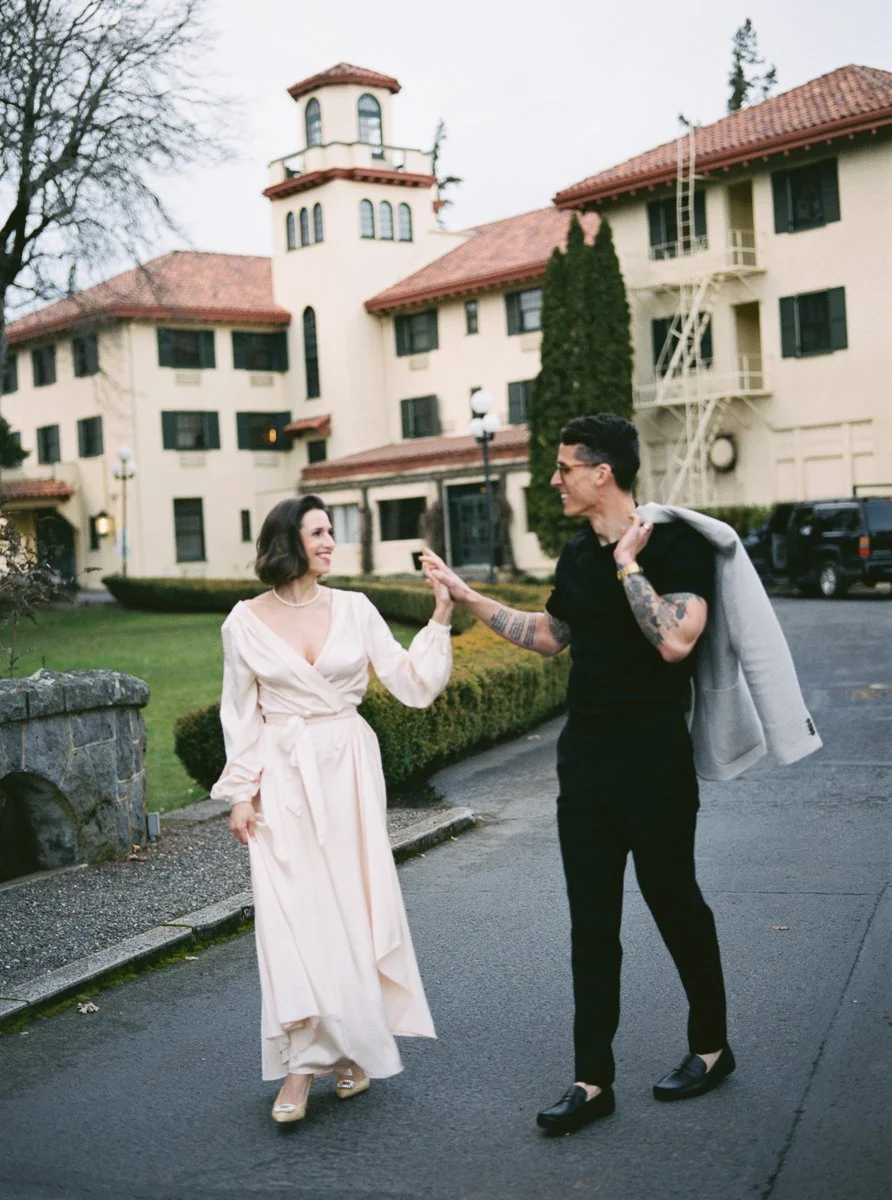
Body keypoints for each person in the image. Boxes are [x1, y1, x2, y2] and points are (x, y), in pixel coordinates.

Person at [422, 413, 733, 1136]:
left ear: (603, 473)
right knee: (593, 925)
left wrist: (629, 564)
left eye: (564, 467)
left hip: (653, 761)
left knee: (676, 905)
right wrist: (470, 599)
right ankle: (593, 1081)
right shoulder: (574, 556)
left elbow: (675, 641)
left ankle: (712, 1049)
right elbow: (549, 637)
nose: (553, 479)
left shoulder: (677, 544)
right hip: (585, 765)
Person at [211, 494, 453, 1124]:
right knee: (294, 916)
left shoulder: (355, 608)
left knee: (349, 908)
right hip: (282, 780)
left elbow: (409, 682)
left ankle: (349, 1051)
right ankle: (300, 1062)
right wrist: (241, 793)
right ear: (288, 540)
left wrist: (442, 618)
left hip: (347, 771)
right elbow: (238, 714)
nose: (329, 542)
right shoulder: (243, 622)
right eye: (318, 532)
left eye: (330, 532)